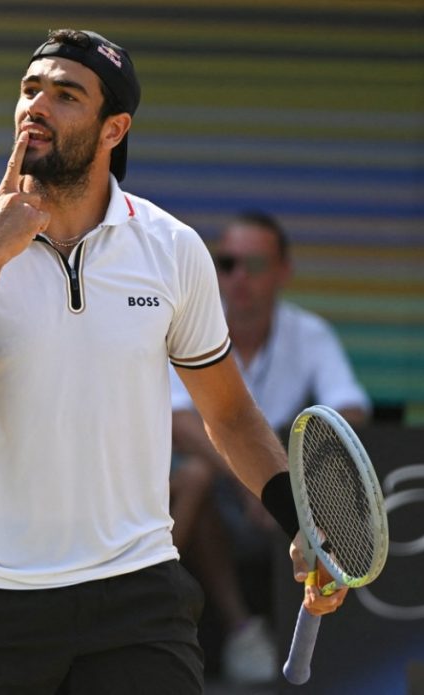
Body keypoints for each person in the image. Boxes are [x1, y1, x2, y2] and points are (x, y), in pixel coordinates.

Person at [0, 29, 347, 694]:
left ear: (115, 127)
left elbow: (229, 413)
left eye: (65, 94)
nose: (36, 106)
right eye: (29, 89)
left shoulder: (173, 248)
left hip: (137, 602)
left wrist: (298, 519)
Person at [167, 210, 372, 684]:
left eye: (254, 265)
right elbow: (178, 421)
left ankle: (313, 632)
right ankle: (205, 619)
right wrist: (254, 479)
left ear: (283, 271)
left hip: (281, 494)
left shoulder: (310, 333)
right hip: (219, 495)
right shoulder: (191, 325)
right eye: (228, 263)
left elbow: (350, 410)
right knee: (194, 475)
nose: (239, 278)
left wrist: (284, 475)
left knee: (319, 490)